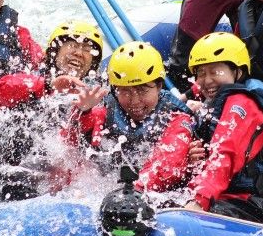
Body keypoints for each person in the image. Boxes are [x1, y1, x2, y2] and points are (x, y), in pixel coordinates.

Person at [0, 20, 105, 202]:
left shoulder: (95, 97)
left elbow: (79, 146)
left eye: (87, 49)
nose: (79, 53)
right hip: (15, 167)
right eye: (72, 45)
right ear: (55, 51)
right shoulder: (32, 78)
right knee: (17, 130)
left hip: (54, 179)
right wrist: (48, 86)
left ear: (92, 65)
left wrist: (84, 111)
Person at [182, 32, 263, 225]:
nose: (207, 80)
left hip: (257, 203)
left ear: (237, 72)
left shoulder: (241, 104)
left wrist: (198, 200)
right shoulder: (211, 106)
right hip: (225, 197)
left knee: (192, 216)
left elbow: (225, 154)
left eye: (215, 72)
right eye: (201, 73)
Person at [69, 41, 195, 195]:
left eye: (142, 90)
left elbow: (168, 165)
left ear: (159, 86)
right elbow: (72, 143)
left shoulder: (176, 118)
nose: (134, 101)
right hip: (110, 188)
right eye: (125, 91)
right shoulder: (107, 109)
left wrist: (131, 190)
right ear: (115, 90)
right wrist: (84, 112)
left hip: (146, 194)